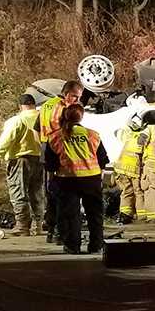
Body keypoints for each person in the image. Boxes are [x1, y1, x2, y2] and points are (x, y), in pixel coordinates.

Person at [44, 104, 108, 255]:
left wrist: (51, 182)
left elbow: (51, 165)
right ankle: (96, 245)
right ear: (82, 116)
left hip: (67, 180)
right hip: (91, 179)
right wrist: (100, 178)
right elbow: (103, 160)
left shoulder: (55, 137)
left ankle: (73, 246)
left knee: (70, 215)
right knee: (95, 215)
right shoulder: (93, 135)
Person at [35, 80, 83, 243]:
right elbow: (69, 131)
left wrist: (43, 147)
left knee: (50, 192)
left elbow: (36, 128)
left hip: (46, 150)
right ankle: (60, 232)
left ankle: (51, 229)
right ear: (68, 94)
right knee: (64, 193)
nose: (76, 101)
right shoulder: (65, 107)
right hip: (61, 150)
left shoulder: (45, 105)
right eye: (75, 97)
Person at [0, 94, 44, 236]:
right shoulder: (43, 117)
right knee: (37, 193)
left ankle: (22, 226)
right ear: (34, 104)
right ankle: (38, 225)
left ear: (20, 106)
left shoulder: (18, 120)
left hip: (20, 160)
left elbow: (7, 138)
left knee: (18, 191)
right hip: (40, 160)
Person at [113, 115, 145, 224]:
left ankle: (125, 215)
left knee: (126, 192)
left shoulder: (128, 135)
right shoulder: (143, 138)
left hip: (121, 168)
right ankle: (142, 217)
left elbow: (117, 132)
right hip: (134, 170)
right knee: (138, 192)